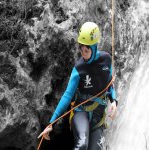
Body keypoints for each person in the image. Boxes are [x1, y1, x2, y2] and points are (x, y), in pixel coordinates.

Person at [38, 22, 118, 150]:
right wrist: (51, 123)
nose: (83, 54)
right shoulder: (79, 68)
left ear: (94, 47)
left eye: (87, 50)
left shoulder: (106, 59)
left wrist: (114, 101)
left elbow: (110, 83)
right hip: (81, 112)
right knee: (82, 144)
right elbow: (67, 96)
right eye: (81, 50)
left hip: (98, 118)